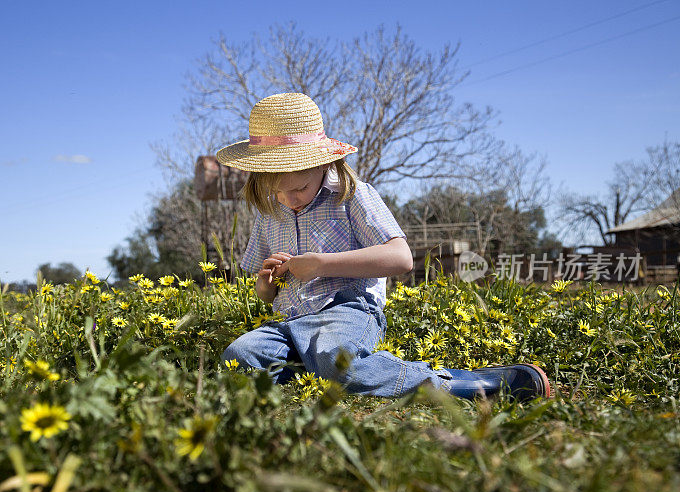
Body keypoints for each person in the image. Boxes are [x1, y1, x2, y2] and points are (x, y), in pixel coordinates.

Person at [216, 93, 550, 401]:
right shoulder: (269, 212)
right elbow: (265, 294)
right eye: (278, 191)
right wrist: (266, 285)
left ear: (323, 163)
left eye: (300, 188)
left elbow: (401, 258)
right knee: (239, 355)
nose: (290, 200)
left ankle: (469, 384)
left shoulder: (353, 196)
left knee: (337, 360)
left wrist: (322, 265)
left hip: (345, 311)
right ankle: (328, 376)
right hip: (289, 322)